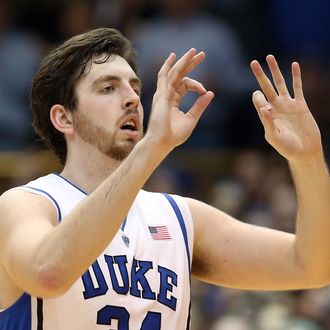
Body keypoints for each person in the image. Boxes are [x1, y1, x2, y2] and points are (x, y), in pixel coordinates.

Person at [0, 27, 329, 329]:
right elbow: (48, 274)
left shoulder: (180, 218)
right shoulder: (29, 204)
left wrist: (308, 159)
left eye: (135, 87)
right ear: (63, 118)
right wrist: (152, 147)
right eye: (108, 88)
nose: (131, 99)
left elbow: (313, 266)